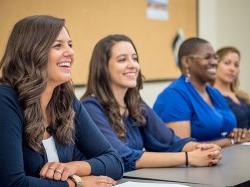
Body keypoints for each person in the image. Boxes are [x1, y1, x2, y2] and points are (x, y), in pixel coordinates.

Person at [0, 15, 123, 187]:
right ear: (32, 51)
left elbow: (115, 161)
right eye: (58, 46)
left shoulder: (66, 99)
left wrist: (72, 169)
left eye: (70, 45)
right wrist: (76, 183)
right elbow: (12, 183)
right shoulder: (5, 100)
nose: (70, 52)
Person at [81, 34, 221, 172]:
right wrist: (188, 158)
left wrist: (202, 149)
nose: (133, 65)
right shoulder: (90, 108)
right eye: (122, 60)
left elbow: (170, 141)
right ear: (103, 67)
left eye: (135, 59)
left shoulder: (135, 103)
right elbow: (122, 156)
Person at [153, 37, 249, 147]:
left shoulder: (214, 93)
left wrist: (237, 135)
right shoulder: (173, 96)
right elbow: (182, 147)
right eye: (207, 57)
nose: (214, 62)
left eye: (215, 57)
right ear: (187, 61)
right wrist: (231, 141)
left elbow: (224, 130)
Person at [214, 47, 250, 130]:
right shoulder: (209, 96)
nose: (232, 69)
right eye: (227, 63)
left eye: (236, 65)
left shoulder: (243, 96)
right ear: (215, 65)